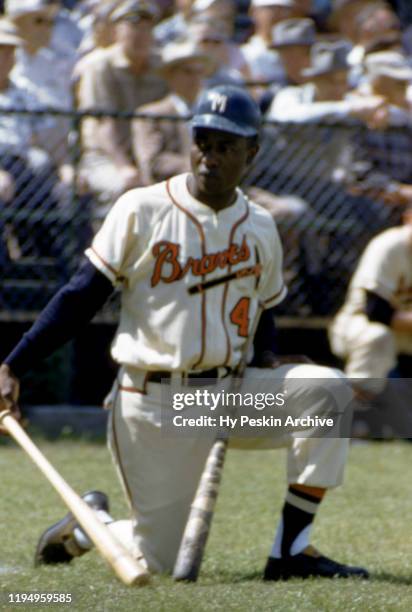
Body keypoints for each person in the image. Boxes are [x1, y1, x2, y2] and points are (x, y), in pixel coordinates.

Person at [0, 85, 368, 581]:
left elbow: (262, 310)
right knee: (161, 563)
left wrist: (266, 358)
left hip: (227, 396)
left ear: (251, 154)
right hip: (155, 400)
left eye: (226, 147)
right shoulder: (142, 209)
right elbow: (79, 297)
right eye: (203, 142)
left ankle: (290, 553)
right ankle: (92, 524)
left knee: (327, 393)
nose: (210, 157)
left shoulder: (261, 226)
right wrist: (13, 364)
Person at [77, 0, 168, 210]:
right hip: (104, 157)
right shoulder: (100, 66)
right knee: (122, 188)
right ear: (117, 30)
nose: (140, 35)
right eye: (133, 27)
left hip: (149, 157)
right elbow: (103, 125)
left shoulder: (161, 67)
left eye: (147, 29)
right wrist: (124, 166)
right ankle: (105, 242)